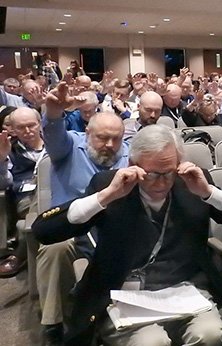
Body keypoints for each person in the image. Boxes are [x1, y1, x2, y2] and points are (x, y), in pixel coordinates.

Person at [32, 124, 222, 345]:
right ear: (132, 166)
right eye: (153, 174)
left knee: (209, 334)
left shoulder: (192, 181)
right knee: (150, 342)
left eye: (169, 173)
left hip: (185, 292)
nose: (162, 183)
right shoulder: (109, 185)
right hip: (126, 295)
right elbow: (44, 231)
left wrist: (208, 193)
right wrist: (106, 196)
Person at [37, 80, 130, 345]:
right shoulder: (67, 148)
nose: (110, 145)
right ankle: (54, 325)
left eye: (116, 139)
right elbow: (54, 132)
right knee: (55, 249)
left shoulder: (128, 156)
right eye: (102, 138)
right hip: (70, 228)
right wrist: (54, 111)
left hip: (110, 228)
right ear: (87, 132)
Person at [0, 107, 46, 278]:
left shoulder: (55, 145)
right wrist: (2, 160)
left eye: (31, 125)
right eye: (20, 128)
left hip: (53, 193)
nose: (27, 131)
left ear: (40, 123)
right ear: (12, 128)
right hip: (26, 199)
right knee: (39, 207)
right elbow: (4, 184)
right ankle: (21, 255)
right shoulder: (7, 149)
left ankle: (19, 255)